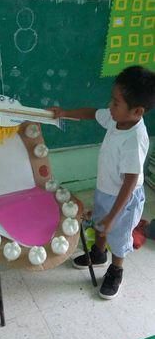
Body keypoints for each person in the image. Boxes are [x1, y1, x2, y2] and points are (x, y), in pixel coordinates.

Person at [50, 66, 155, 300]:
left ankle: (116, 269)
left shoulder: (134, 140)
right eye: (112, 99)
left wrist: (113, 216)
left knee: (118, 236)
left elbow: (129, 183)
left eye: (115, 102)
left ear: (137, 111)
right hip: (105, 189)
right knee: (99, 224)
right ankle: (98, 253)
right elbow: (92, 113)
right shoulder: (117, 117)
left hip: (124, 200)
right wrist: (64, 113)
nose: (110, 105)